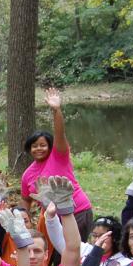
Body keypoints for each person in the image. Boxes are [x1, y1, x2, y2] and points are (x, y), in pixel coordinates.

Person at [19, 88, 94, 241]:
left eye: (42, 145)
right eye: (34, 146)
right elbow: (26, 199)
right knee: (56, 259)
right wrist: (22, 220)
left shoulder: (59, 156)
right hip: (52, 219)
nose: (38, 148)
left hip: (77, 212)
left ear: (50, 146)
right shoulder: (28, 174)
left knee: (76, 255)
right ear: (29, 149)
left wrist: (56, 111)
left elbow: (60, 133)